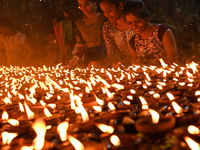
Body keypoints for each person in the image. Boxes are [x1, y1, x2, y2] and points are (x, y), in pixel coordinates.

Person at [124, 0, 178, 65]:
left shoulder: (162, 32)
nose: (134, 26)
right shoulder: (133, 42)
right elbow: (135, 66)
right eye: (130, 23)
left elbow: (172, 61)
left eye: (137, 21)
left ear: (147, 18)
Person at [68, 0, 107, 67]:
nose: (83, 8)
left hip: (106, 54)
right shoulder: (79, 23)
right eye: (80, 5)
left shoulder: (104, 18)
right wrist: (76, 58)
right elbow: (81, 46)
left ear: (94, 3)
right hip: (90, 56)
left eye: (86, 4)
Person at [96, 0, 135, 67]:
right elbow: (113, 54)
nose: (106, 15)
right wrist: (100, 63)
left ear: (120, 6)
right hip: (123, 68)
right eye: (104, 12)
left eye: (109, 11)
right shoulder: (108, 27)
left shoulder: (135, 24)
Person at [54, 0, 79, 65]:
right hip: (77, 52)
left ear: (65, 12)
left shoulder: (60, 24)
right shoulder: (80, 22)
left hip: (74, 52)